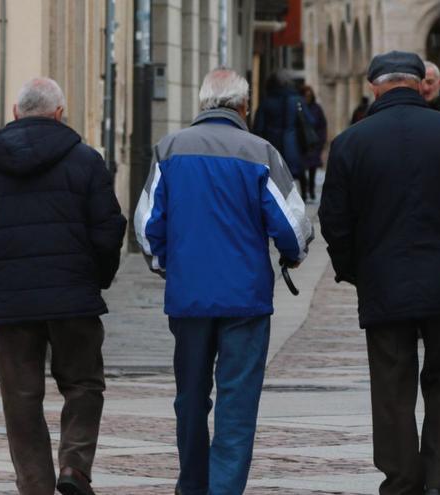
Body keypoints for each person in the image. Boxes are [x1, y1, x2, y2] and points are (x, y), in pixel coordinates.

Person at [319, 51, 440, 495]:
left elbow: (335, 222)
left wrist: (355, 270)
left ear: (373, 87)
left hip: (383, 279)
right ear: (421, 84)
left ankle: (402, 481)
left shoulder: (351, 142)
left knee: (392, 388)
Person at [134, 68, 313, 495]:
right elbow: (292, 225)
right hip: (245, 298)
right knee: (237, 402)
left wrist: (166, 265)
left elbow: (146, 225)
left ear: (202, 103)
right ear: (243, 106)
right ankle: (224, 489)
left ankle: (192, 486)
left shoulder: (169, 149)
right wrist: (293, 255)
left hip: (189, 296)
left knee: (190, 399)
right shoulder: (261, 152)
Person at [0, 77, 127, 495]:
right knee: (84, 383)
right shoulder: (86, 160)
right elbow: (109, 229)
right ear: (59, 114)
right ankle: (75, 465)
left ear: (15, 114)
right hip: (73, 299)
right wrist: (96, 279)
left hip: (11, 303)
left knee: (21, 397)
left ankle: (35, 485)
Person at [253, 70, 312, 198]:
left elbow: (258, 128)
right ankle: (303, 196)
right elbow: (310, 120)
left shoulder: (266, 102)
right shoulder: (297, 100)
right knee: (297, 172)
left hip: (272, 145)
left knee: (274, 175)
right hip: (294, 145)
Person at [301, 85, 328, 202]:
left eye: (309, 95)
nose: (307, 97)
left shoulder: (317, 108)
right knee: (301, 168)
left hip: (314, 142)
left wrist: (321, 140)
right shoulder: (299, 107)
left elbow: (322, 125)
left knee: (312, 168)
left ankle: (311, 189)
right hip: (302, 143)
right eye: (305, 95)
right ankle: (304, 190)